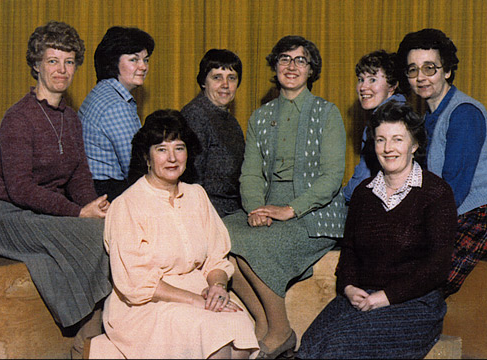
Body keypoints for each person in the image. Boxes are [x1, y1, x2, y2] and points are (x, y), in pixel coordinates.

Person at [0, 21, 112, 359]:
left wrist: (93, 204)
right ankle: (90, 324)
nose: (62, 70)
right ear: (36, 65)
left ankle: (102, 323)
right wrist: (78, 212)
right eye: (53, 61)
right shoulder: (18, 118)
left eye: (69, 61)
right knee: (91, 236)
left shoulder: (71, 118)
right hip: (9, 216)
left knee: (110, 227)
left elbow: (79, 176)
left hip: (46, 212)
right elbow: (21, 188)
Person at [298, 100, 458, 359]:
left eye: (397, 139)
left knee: (338, 348)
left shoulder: (436, 193)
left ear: (414, 145)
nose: (388, 148)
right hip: (363, 296)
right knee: (310, 344)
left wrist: (385, 297)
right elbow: (349, 251)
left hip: (414, 304)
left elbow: (437, 267)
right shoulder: (363, 194)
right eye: (381, 140)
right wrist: (348, 286)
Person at [222, 35, 347, 359]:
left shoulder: (327, 112)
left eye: (300, 60)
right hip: (268, 205)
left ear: (311, 69)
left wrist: (291, 209)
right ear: (275, 66)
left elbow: (332, 177)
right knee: (221, 236)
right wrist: (254, 209)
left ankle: (281, 331)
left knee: (256, 244)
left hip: (315, 212)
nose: (291, 66)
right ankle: (265, 325)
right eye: (284, 59)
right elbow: (250, 174)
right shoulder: (260, 117)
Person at [98, 110, 259, 359]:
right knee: (211, 330)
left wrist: (217, 286)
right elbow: (136, 282)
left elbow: (216, 257)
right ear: (146, 156)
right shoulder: (127, 205)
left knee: (238, 324)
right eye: (162, 149)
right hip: (145, 305)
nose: (172, 158)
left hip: (197, 291)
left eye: (179, 148)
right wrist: (196, 301)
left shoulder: (197, 195)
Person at [396, 28, 487, 297]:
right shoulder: (428, 117)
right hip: (450, 212)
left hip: (481, 217)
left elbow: (453, 190)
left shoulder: (463, 114)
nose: (421, 78)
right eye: (413, 70)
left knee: (424, 278)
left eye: (430, 68)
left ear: (447, 70)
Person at [78, 26, 155, 201]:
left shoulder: (101, 92)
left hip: (94, 190)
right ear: (113, 62)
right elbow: (137, 167)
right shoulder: (116, 106)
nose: (143, 67)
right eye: (134, 60)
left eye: (146, 60)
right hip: (109, 194)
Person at [180, 48, 245, 218]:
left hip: (231, 210)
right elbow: (191, 181)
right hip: (209, 213)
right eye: (217, 77)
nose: (225, 85)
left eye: (231, 78)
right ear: (203, 82)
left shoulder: (230, 120)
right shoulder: (196, 115)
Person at [342, 50, 407, 205]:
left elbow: (364, 177)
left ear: (392, 85)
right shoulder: (404, 109)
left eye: (372, 80)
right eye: (360, 79)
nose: (363, 87)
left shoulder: (382, 120)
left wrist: (343, 197)